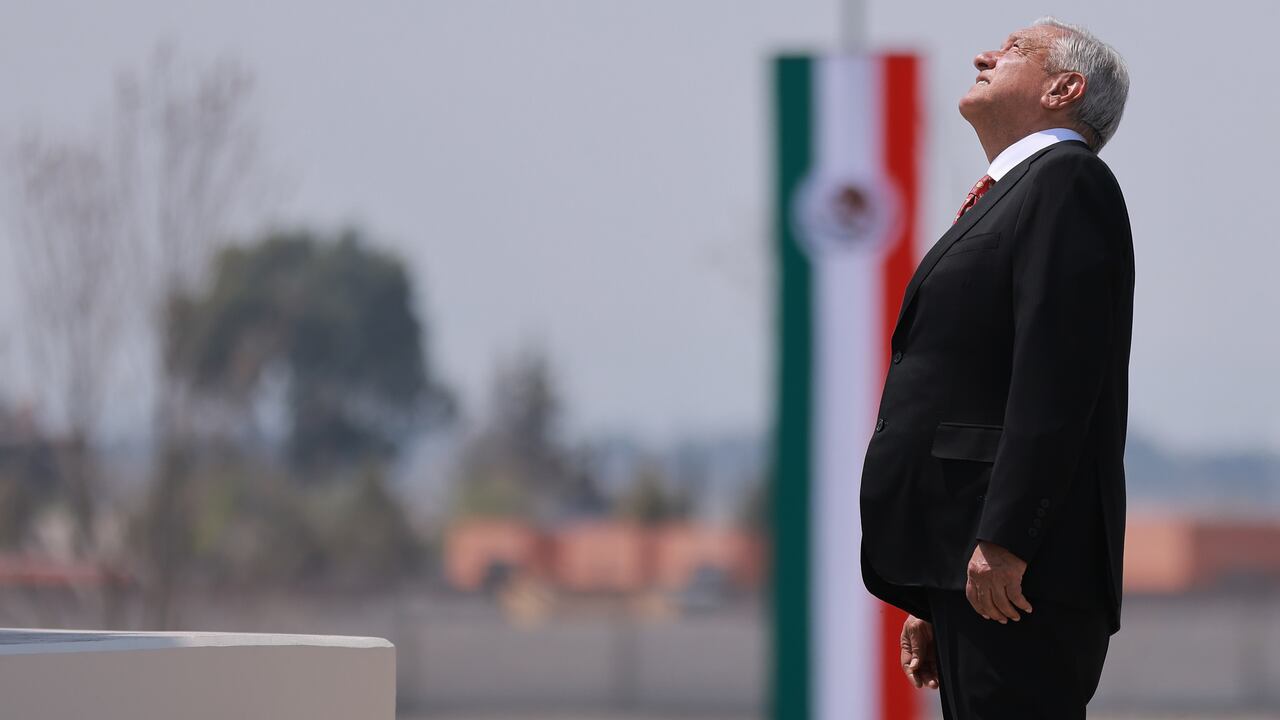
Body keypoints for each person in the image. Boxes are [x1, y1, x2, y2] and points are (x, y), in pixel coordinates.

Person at [858, 17, 1133, 719]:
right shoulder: (1015, 193)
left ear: (1063, 88)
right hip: (980, 574)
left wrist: (1006, 540)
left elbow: (1056, 377)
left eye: (1014, 50)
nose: (984, 54)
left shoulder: (1067, 182)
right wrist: (937, 581)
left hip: (1020, 577)